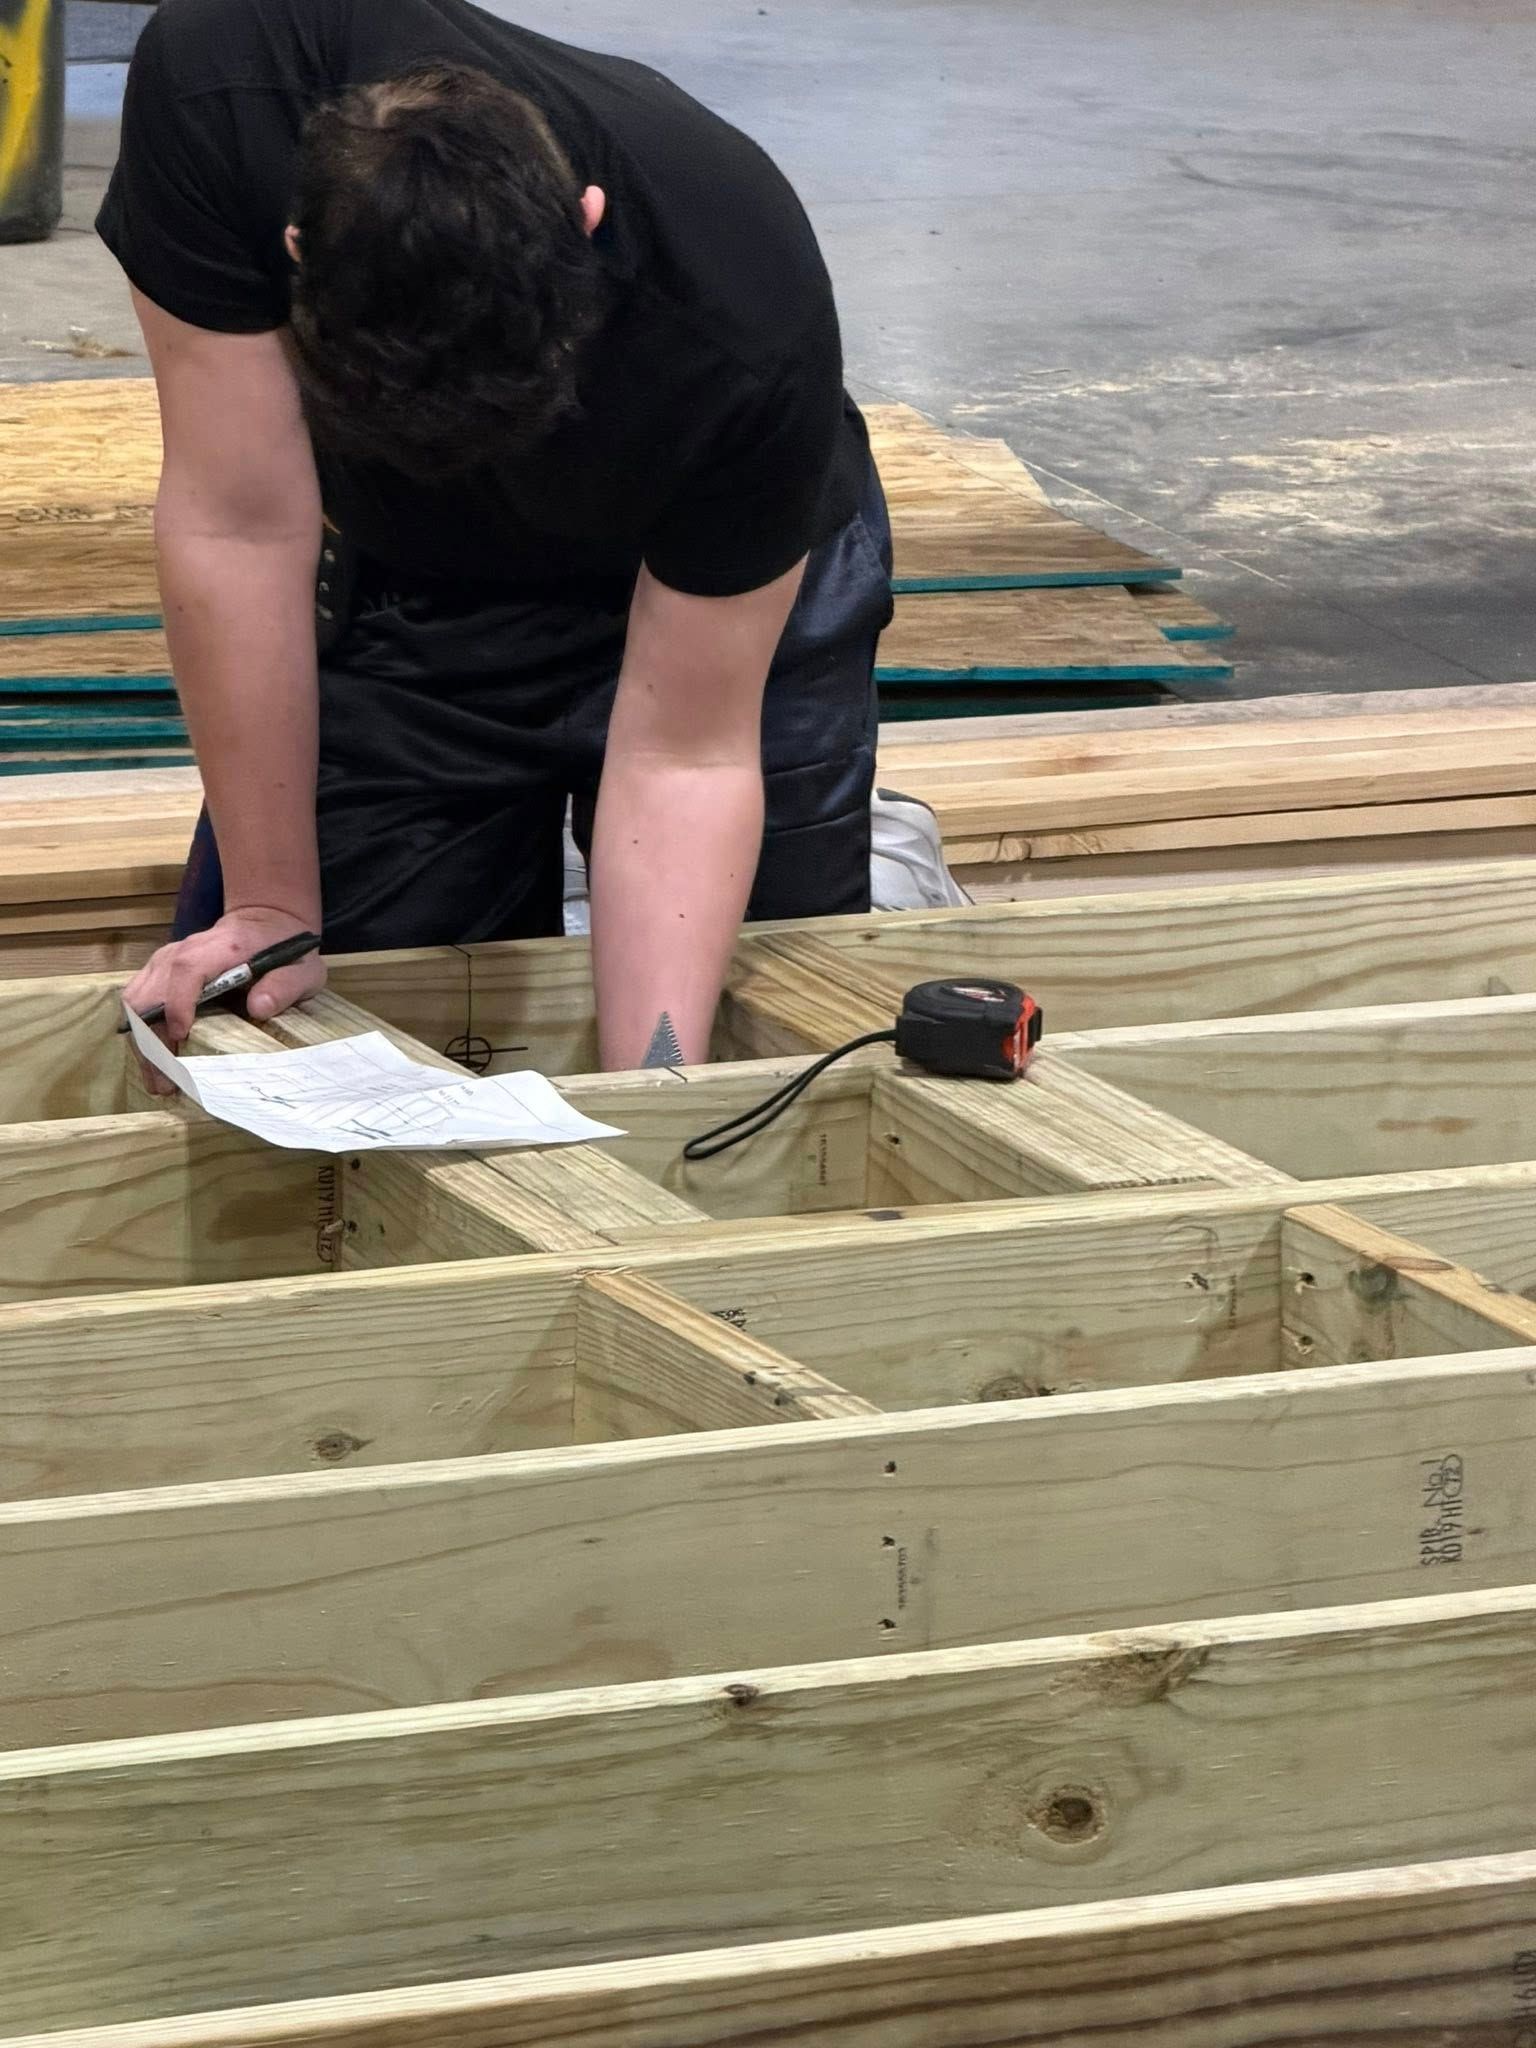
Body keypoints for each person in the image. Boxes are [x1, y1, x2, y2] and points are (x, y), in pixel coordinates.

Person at [98, 0, 893, 1081]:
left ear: (590, 219)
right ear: (295, 250)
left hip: (723, 591)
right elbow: (242, 521)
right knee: (339, 1033)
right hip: (425, 582)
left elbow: (684, 750)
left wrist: (657, 1085)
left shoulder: (741, 304)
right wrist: (271, 900)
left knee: (768, 1050)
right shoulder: (219, 90)